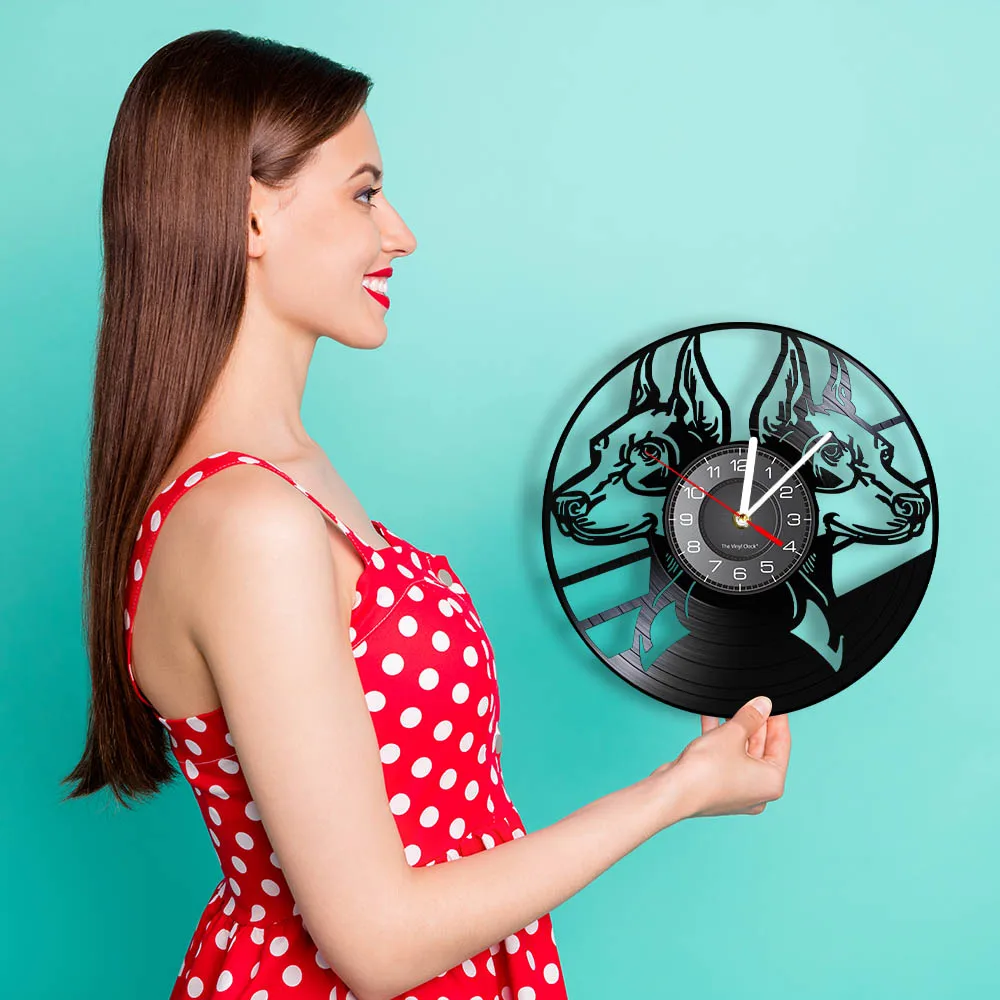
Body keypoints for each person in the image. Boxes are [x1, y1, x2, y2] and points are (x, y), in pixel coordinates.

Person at [62, 28, 791, 1000]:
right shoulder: (250, 522)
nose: (398, 233)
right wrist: (677, 792)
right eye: (364, 193)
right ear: (250, 217)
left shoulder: (285, 481)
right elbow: (378, 945)